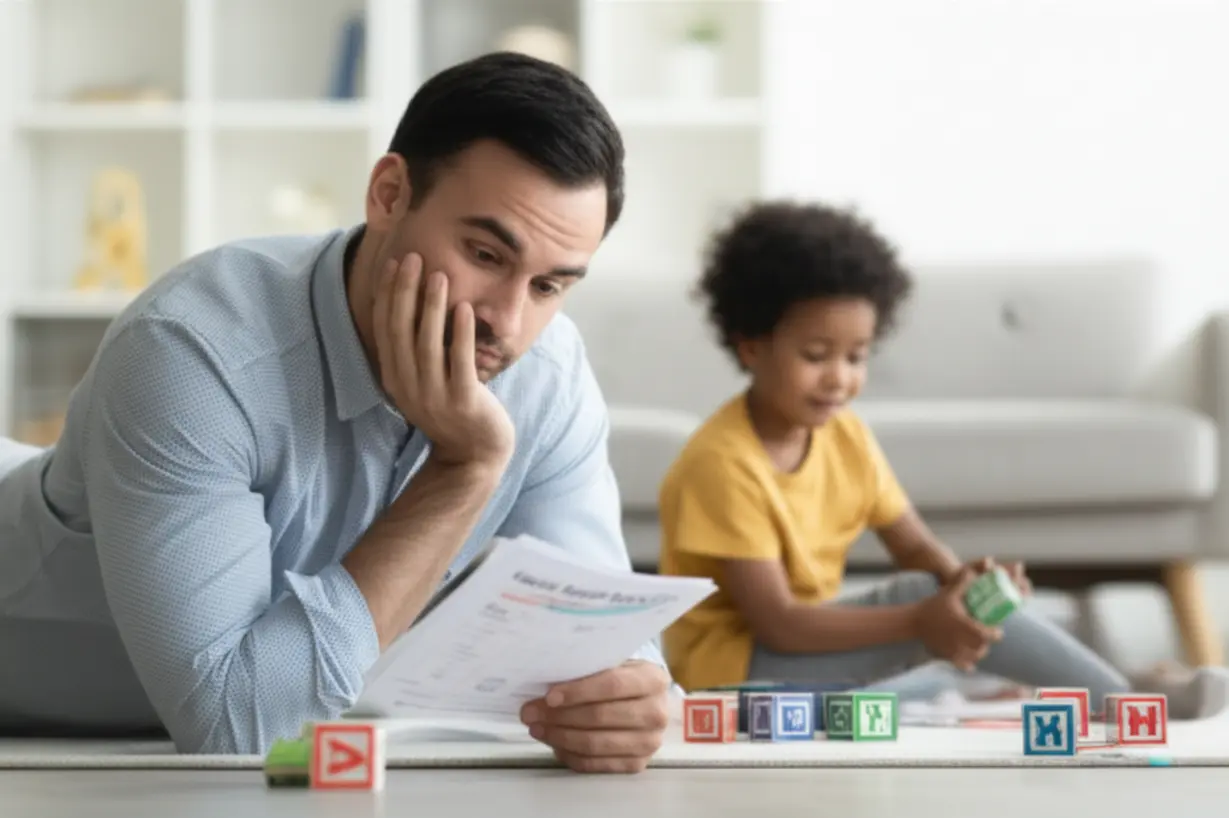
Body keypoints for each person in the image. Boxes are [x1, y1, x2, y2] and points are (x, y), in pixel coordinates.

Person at [0, 52, 672, 772]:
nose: (506, 322)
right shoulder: (191, 352)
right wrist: (462, 470)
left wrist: (624, 699)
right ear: (387, 193)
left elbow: (605, 640)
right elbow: (240, 732)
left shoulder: (545, 373)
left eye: (548, 285)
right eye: (483, 253)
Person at [656, 200, 1165, 707]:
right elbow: (780, 624)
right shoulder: (722, 463)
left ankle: (996, 688)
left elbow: (916, 547)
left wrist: (964, 584)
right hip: (730, 678)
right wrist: (924, 616)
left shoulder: (845, 437)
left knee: (935, 606)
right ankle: (1125, 698)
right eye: (815, 355)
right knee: (916, 603)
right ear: (751, 348)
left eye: (856, 356)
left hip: (799, 656)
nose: (840, 378)